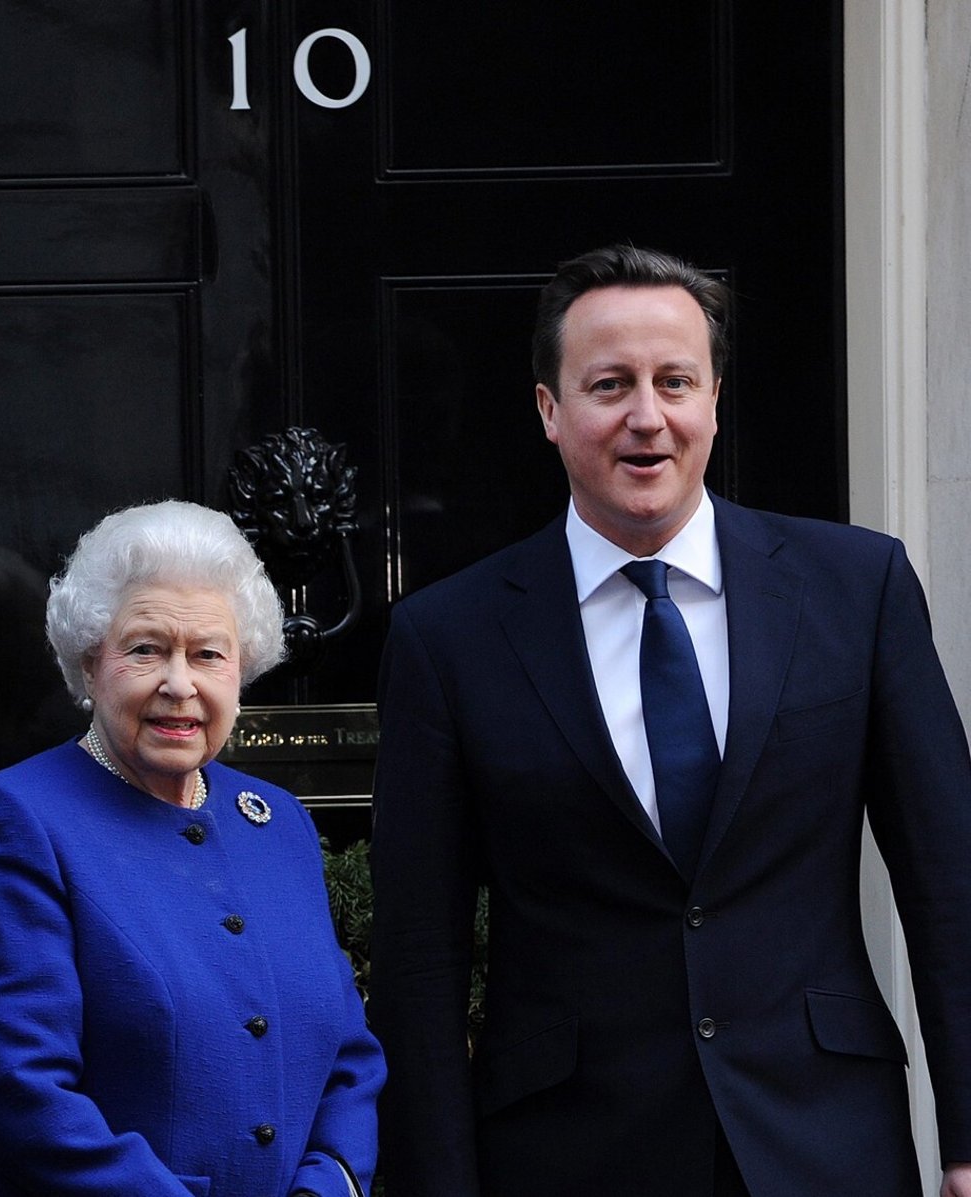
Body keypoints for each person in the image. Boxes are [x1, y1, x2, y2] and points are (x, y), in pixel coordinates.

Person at [369, 244, 971, 1196]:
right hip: (567, 1154)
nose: (646, 416)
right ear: (549, 410)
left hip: (823, 1140)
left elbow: (950, 882)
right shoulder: (450, 637)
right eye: (609, 384)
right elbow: (420, 953)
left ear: (715, 400)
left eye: (674, 381)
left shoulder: (858, 588)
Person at [0, 499, 385, 1197]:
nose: (179, 683)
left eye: (208, 653)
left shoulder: (278, 822)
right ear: (92, 661)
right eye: (147, 648)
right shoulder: (17, 816)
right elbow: (20, 1088)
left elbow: (349, 1057)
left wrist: (326, 1184)